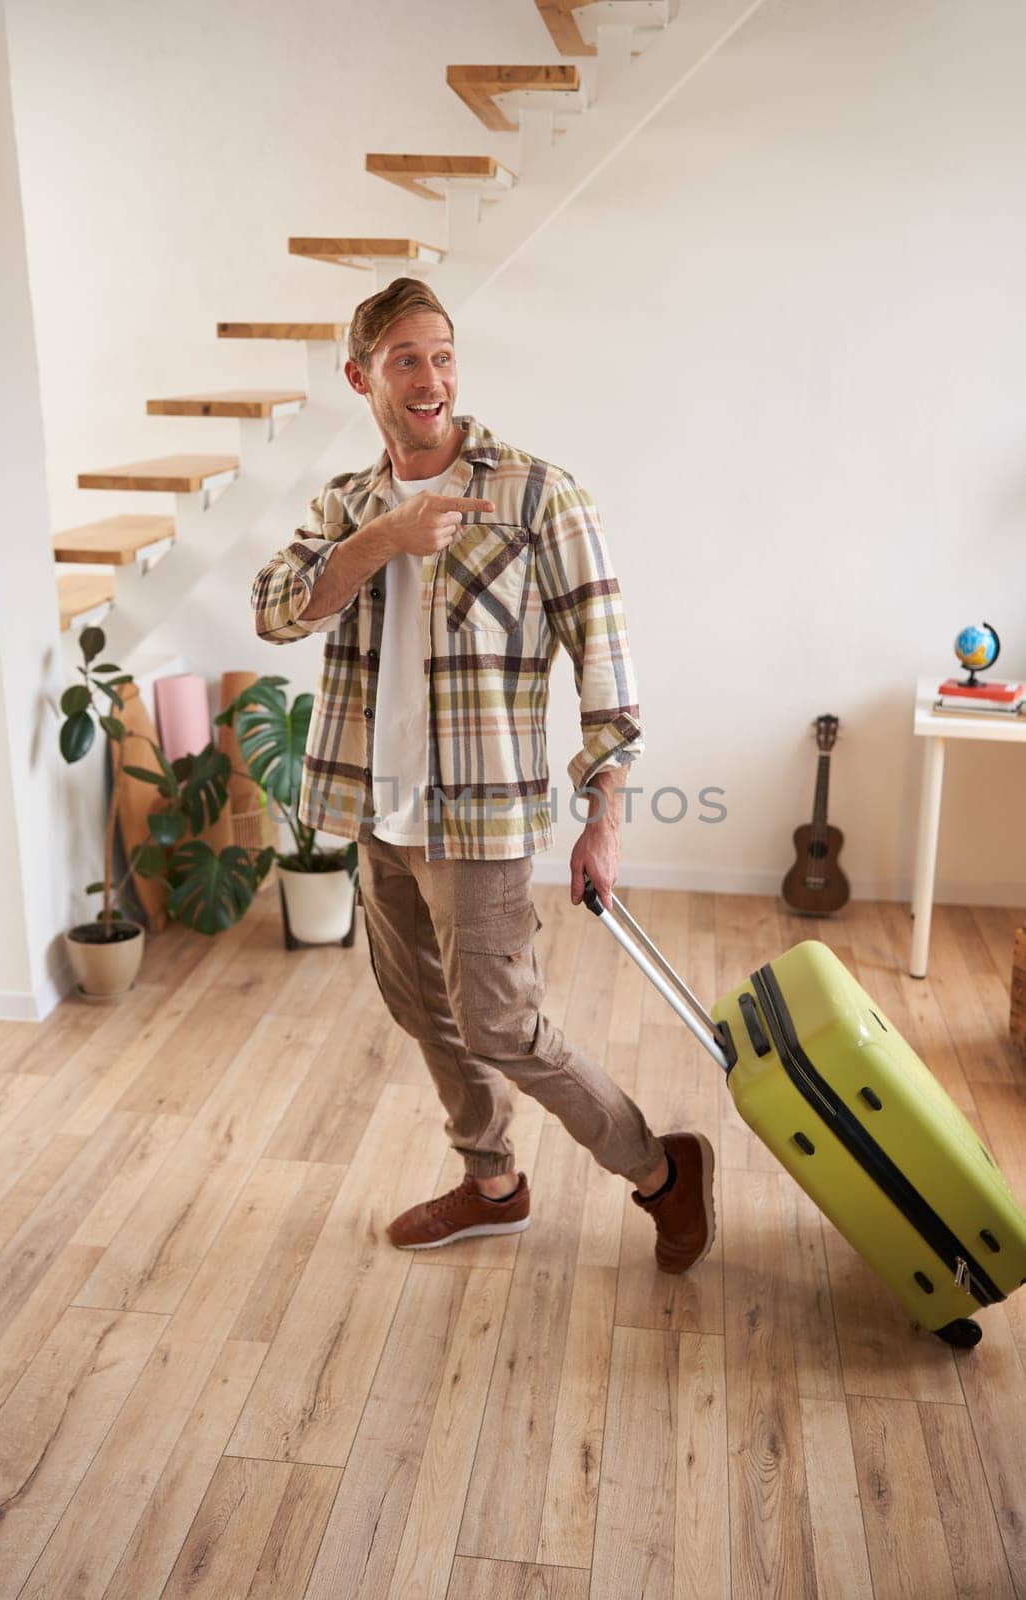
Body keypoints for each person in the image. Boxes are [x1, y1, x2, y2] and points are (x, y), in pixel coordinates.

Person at [251, 276, 714, 1273]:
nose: (431, 379)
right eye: (406, 359)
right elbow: (277, 608)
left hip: (481, 824)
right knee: (420, 1008)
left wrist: (605, 818)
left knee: (502, 1025)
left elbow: (606, 668)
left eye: (444, 355)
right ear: (359, 375)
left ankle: (659, 1171)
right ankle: (492, 1183)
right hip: (378, 814)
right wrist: (382, 540)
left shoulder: (537, 492)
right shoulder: (346, 504)